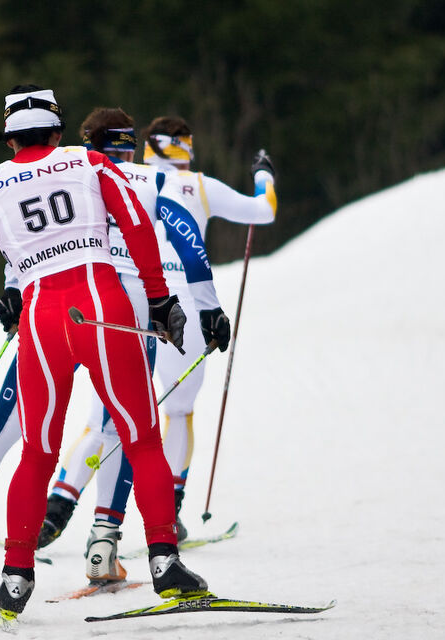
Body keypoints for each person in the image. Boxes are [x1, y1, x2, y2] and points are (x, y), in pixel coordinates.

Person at [0, 86, 207, 628]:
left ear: (9, 141)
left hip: (41, 321)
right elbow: (138, 226)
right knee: (141, 437)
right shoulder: (90, 164)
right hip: (102, 309)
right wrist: (162, 300)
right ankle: (165, 562)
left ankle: (15, 577)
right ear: (56, 132)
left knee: (36, 452)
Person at [39, 115, 277, 545]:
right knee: (177, 411)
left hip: (126, 296)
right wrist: (263, 174)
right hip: (183, 301)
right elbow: (264, 211)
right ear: (186, 147)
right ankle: (171, 515)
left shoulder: (113, 176)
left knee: (105, 417)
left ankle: (55, 510)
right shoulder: (196, 185)